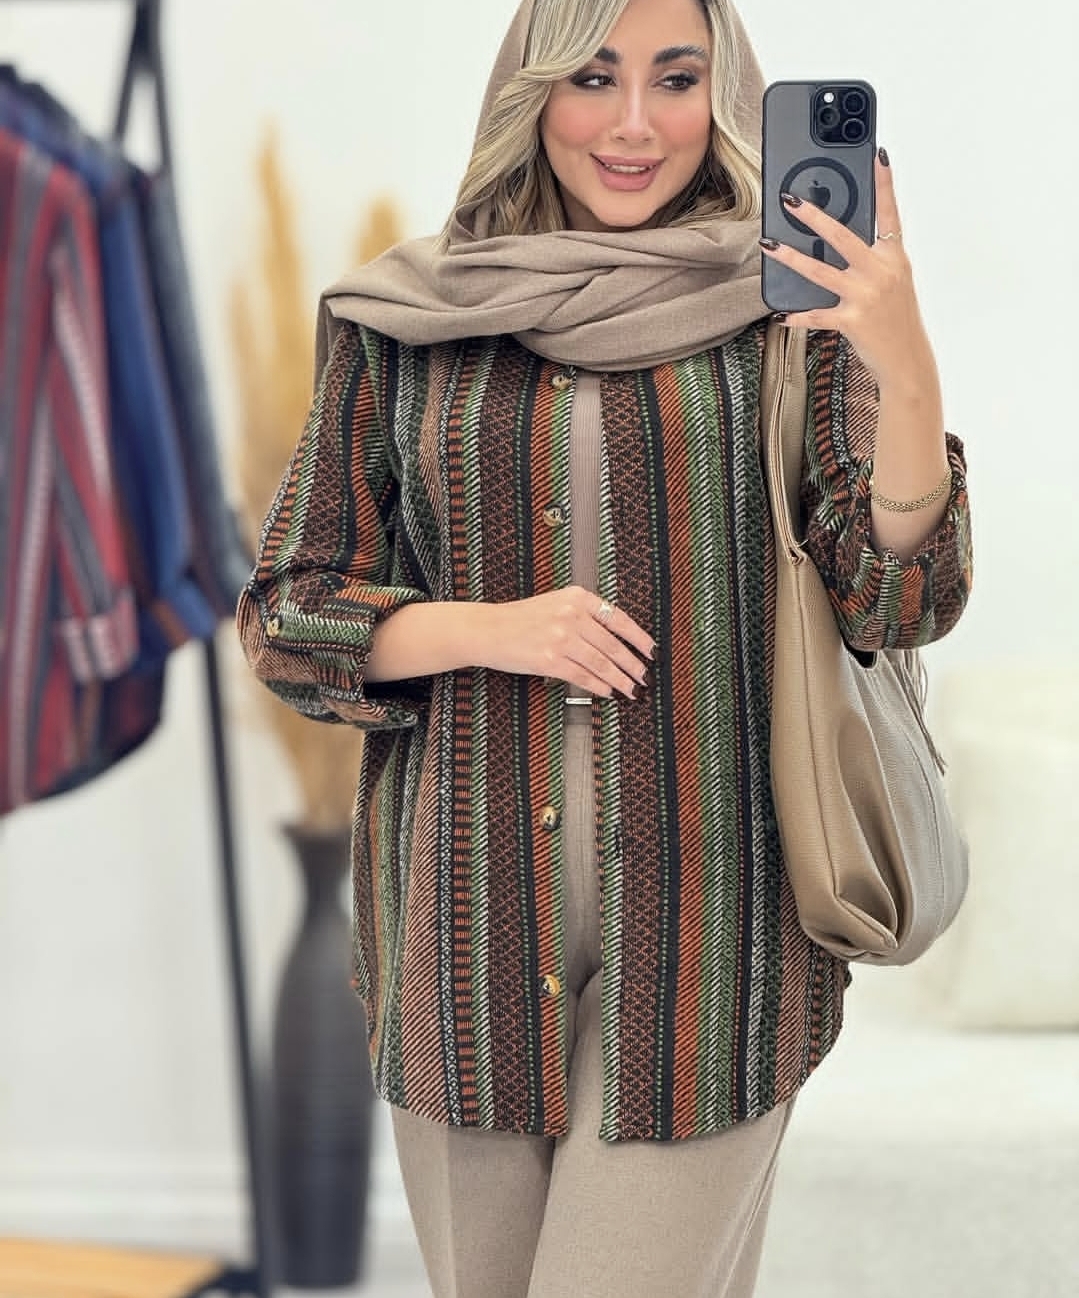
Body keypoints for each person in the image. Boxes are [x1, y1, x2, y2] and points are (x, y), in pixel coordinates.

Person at [237, 0, 973, 1293]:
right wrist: (492, 628)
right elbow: (287, 614)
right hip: (463, 940)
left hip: (712, 952)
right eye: (593, 77)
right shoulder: (404, 318)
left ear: (722, 93)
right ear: (533, 91)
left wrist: (902, 363)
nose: (634, 124)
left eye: (675, 79)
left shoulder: (788, 317)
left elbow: (894, 599)